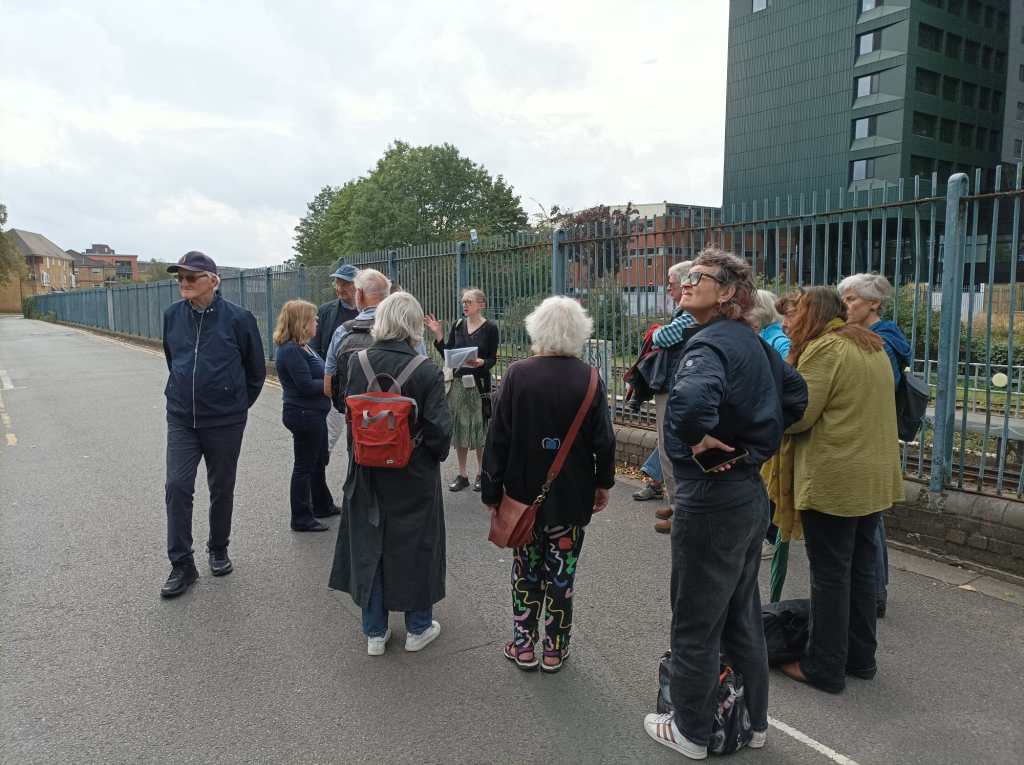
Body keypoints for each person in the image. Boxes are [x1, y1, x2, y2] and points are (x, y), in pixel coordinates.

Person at [643, 249, 807, 760]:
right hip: (746, 496)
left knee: (695, 619)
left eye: (700, 278)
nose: (687, 284)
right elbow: (795, 397)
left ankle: (691, 729)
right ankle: (754, 724)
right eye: (688, 276)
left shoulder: (706, 344)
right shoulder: (756, 345)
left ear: (731, 293)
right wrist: (754, 440)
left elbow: (690, 404)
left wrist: (698, 439)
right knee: (741, 614)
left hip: (710, 500)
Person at [777, 287, 904, 694]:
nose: (788, 323)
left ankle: (824, 666)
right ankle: (860, 658)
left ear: (811, 315)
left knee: (830, 574)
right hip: (873, 476)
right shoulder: (871, 345)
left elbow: (799, 416)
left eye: (794, 314)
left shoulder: (825, 349)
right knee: (862, 569)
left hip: (837, 477)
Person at [481, 296, 615, 672]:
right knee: (562, 574)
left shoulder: (518, 375)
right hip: (572, 497)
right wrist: (602, 484)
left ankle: (524, 645)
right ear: (580, 333)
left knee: (526, 570)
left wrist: (492, 492)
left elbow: (498, 439)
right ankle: (555, 649)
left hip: (523, 496)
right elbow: (604, 441)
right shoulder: (590, 377)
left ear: (536, 329)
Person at [328, 292, 451, 656]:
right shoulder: (425, 370)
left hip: (366, 470)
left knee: (370, 543)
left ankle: (375, 631)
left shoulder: (358, 363)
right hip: (413, 473)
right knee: (416, 545)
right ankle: (417, 627)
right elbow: (440, 434)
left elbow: (348, 414)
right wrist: (424, 457)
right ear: (414, 325)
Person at [159, 251, 266, 598]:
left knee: (221, 487)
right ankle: (181, 564)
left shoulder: (239, 319)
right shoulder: (172, 315)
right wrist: (182, 392)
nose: (184, 283)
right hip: (181, 418)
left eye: (191, 277)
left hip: (225, 420)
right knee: (177, 487)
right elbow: (173, 359)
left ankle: (218, 548)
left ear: (213, 280)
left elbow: (255, 372)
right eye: (180, 278)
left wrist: (234, 405)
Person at [838, 273, 910, 618]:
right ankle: (869, 590)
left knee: (870, 522)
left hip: (871, 438)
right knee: (869, 521)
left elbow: (878, 388)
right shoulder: (870, 337)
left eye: (851, 299)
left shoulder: (883, 342)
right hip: (866, 437)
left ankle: (873, 592)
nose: (845, 305)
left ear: (874, 304)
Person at [425, 288, 499, 492]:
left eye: (469, 301)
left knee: (479, 428)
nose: (465, 305)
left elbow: (493, 358)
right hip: (458, 384)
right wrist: (438, 335)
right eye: (463, 302)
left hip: (478, 383)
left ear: (481, 305)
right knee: (460, 428)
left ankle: (481, 473)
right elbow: (448, 354)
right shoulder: (458, 325)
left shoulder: (490, 328)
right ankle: (463, 473)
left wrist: (482, 361)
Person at [273, 300, 336, 533]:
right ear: (302, 322)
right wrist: (332, 383)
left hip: (314, 413)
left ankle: (322, 504)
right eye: (313, 318)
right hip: (303, 413)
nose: (317, 321)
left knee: (319, 460)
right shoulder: (290, 350)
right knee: (304, 466)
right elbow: (306, 385)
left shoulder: (304, 347)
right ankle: (300, 517)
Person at [651, 260, 696, 534]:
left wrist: (656, 332)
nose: (668, 289)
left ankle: (682, 511)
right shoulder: (685, 313)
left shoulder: (688, 314)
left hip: (676, 385)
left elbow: (662, 338)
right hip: (678, 383)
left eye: (671, 284)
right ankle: (677, 503)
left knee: (671, 448)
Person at [323, 268, 392, 414]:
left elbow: (328, 387)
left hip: (358, 420)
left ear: (358, 294)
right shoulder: (404, 331)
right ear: (389, 296)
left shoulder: (342, 332)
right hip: (397, 421)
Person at [311, 263, 359, 453]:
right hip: (334, 386)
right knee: (327, 438)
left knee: (361, 439)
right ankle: (317, 480)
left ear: (357, 286)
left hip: (362, 384)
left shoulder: (370, 310)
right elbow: (315, 347)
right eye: (337, 283)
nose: (339, 288)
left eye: (345, 284)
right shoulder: (325, 311)